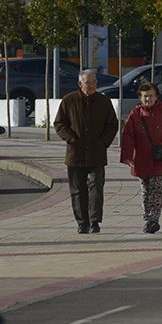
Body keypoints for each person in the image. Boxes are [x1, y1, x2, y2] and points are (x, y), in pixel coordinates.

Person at [54, 70, 118, 234]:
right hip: (76, 153)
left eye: (94, 82)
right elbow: (59, 123)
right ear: (80, 84)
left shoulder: (104, 102)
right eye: (88, 83)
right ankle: (82, 222)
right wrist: (71, 139)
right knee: (77, 190)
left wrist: (103, 141)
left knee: (96, 187)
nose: (92, 86)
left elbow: (112, 124)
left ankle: (94, 221)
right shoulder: (69, 100)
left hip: (97, 153)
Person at [121, 82, 162, 234]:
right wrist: (127, 156)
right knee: (145, 191)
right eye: (145, 96)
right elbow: (128, 136)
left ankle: (153, 220)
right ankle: (147, 216)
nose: (147, 99)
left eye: (150, 96)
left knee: (156, 190)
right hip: (141, 160)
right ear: (140, 98)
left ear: (156, 97)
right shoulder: (135, 114)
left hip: (160, 159)